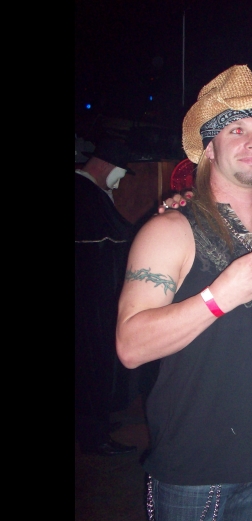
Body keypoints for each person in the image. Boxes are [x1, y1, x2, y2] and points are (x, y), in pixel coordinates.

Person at [115, 64, 252, 521]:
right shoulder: (170, 229)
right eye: (235, 129)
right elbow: (130, 346)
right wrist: (219, 296)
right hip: (193, 464)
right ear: (209, 148)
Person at [75, 138, 139, 456]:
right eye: (121, 171)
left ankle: (96, 424)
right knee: (90, 365)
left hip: (91, 300)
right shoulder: (84, 194)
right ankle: (93, 435)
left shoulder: (91, 193)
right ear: (106, 166)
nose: (121, 179)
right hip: (87, 304)